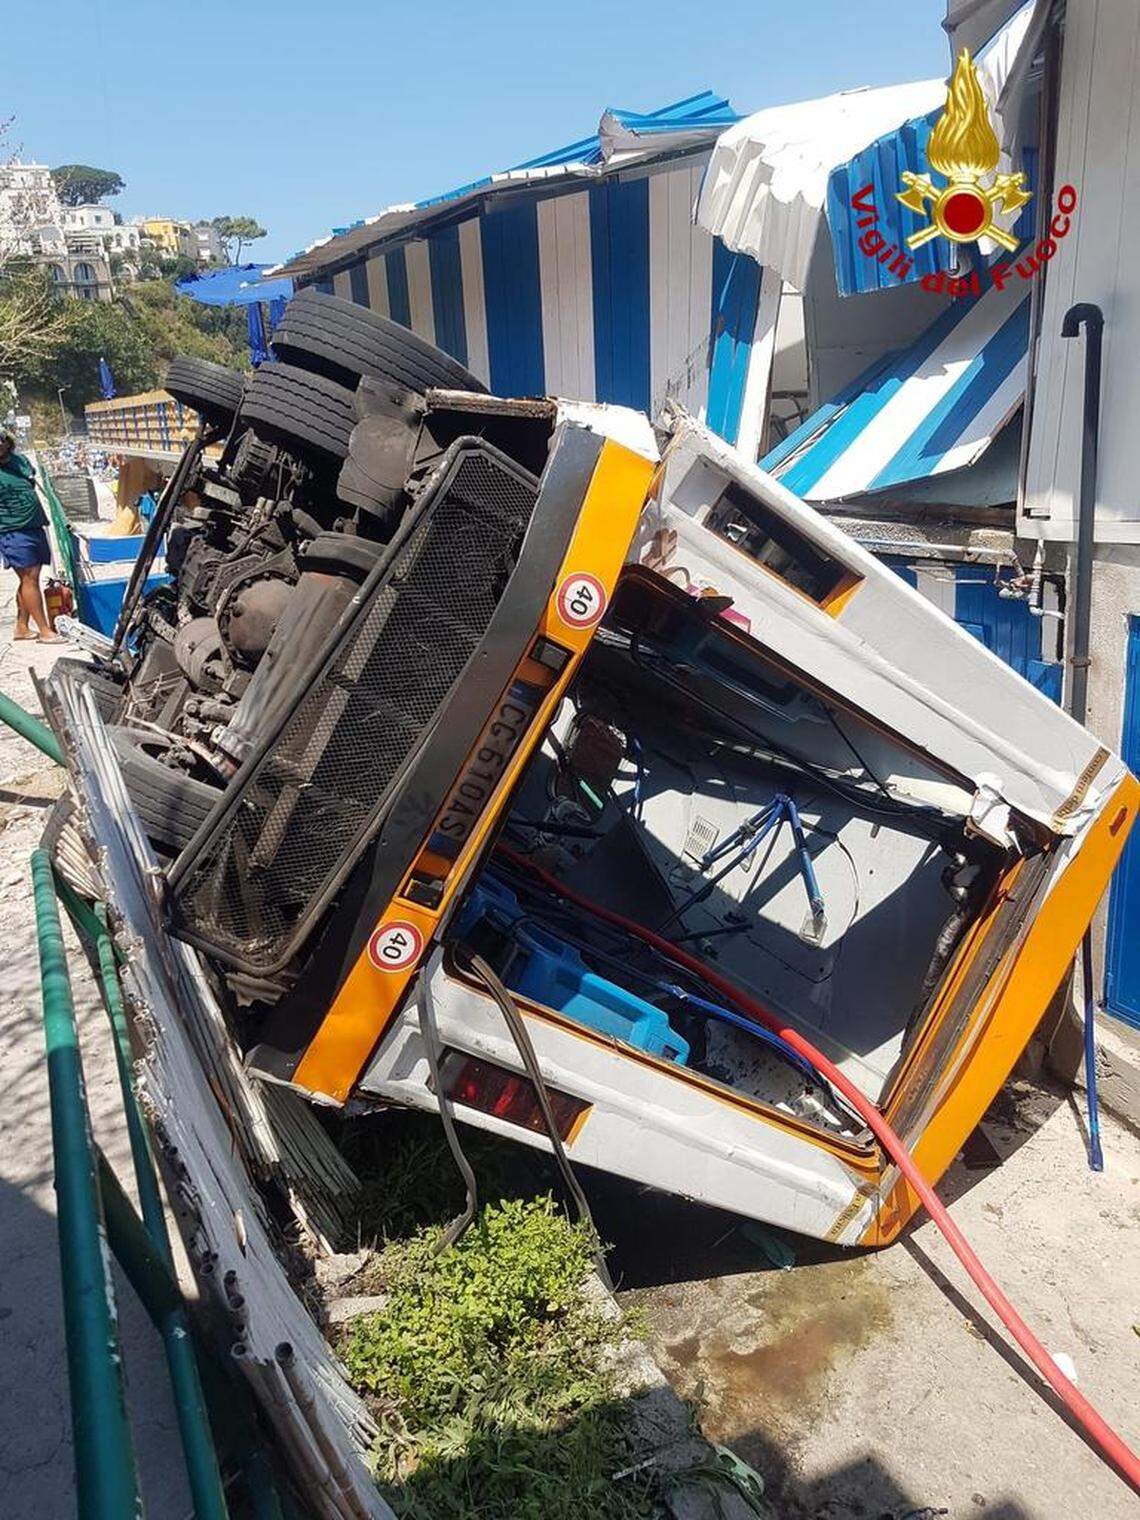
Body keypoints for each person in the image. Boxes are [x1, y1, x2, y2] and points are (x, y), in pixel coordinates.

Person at [0, 431, 63, 643]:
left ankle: (21, 627)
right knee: (29, 578)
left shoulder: (20, 461)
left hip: (34, 525)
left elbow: (31, 480)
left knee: (29, 578)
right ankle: (45, 630)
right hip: (12, 530)